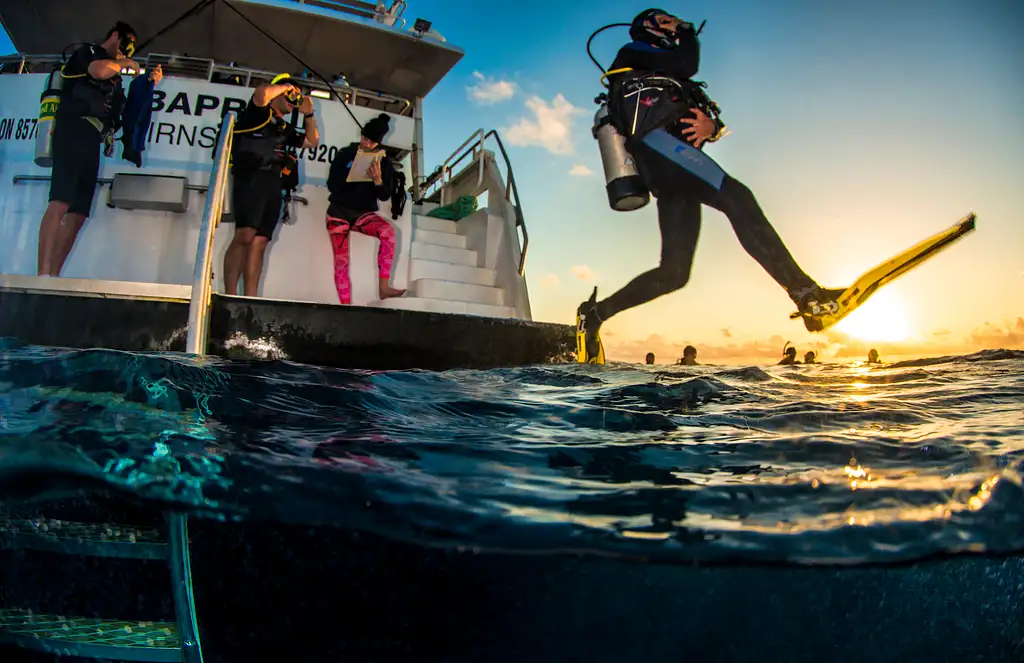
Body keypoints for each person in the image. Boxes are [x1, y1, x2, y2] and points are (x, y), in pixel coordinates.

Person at [576, 8, 845, 364]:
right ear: (647, 27)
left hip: (671, 167)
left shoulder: (662, 67)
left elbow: (699, 113)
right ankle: (808, 295)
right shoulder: (633, 53)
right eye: (663, 18)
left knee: (674, 274)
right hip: (660, 148)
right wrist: (687, 30)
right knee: (737, 198)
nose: (672, 21)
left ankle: (592, 317)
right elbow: (686, 63)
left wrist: (710, 127)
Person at [36, 22, 162, 276]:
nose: (128, 51)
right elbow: (98, 71)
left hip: (93, 138)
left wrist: (148, 82)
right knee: (60, 201)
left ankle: (53, 275)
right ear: (115, 36)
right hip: (73, 129)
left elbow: (124, 111)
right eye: (127, 43)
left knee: (79, 212)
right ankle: (42, 273)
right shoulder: (88, 53)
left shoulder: (116, 78)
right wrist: (126, 64)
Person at [223, 77, 319, 296]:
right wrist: (286, 87)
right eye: (290, 95)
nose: (293, 99)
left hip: (273, 183)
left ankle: (250, 297)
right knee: (245, 235)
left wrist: (309, 113)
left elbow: (312, 140)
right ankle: (229, 294)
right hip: (251, 177)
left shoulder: (285, 127)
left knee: (260, 241)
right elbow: (260, 94)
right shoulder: (257, 113)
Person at [324, 113, 406, 304]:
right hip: (338, 212)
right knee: (341, 261)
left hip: (362, 214)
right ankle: (346, 308)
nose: (366, 144)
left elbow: (385, 195)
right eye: (365, 139)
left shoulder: (384, 161)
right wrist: (350, 171)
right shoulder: (345, 153)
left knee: (389, 232)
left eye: (371, 142)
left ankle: (383, 288)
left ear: (379, 142)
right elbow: (331, 185)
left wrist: (377, 180)